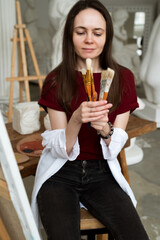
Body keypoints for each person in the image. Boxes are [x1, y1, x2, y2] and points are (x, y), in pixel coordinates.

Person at [31, 1, 150, 239]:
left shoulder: (122, 78)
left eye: (97, 33)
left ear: (107, 36)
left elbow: (115, 146)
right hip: (60, 175)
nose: (89, 40)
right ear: (70, 35)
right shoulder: (56, 79)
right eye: (80, 32)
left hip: (101, 173)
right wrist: (76, 119)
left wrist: (105, 129)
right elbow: (62, 149)